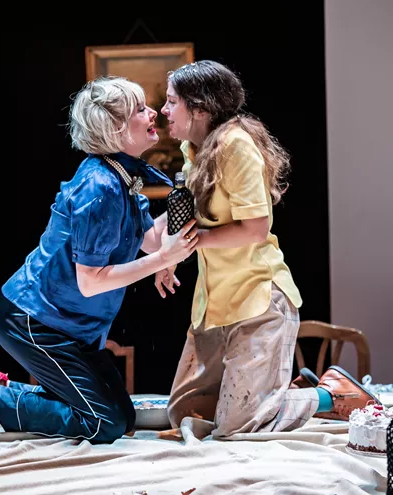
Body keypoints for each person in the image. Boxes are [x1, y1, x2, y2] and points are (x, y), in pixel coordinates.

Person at [0, 76, 199, 444]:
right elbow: (91, 281)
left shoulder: (122, 175)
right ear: (115, 127)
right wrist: (164, 257)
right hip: (34, 319)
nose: (153, 113)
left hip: (72, 326)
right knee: (104, 423)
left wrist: (194, 192)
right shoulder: (99, 186)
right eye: (140, 109)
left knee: (122, 416)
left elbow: (149, 239)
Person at [158, 60, 377, 438]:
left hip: (257, 299)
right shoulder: (193, 148)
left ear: (200, 109)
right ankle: (275, 395)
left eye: (171, 101)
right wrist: (166, 255)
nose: (164, 110)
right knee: (184, 413)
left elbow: (255, 228)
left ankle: (330, 395)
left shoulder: (235, 146)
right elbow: (186, 216)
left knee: (237, 426)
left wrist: (194, 243)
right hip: (214, 303)